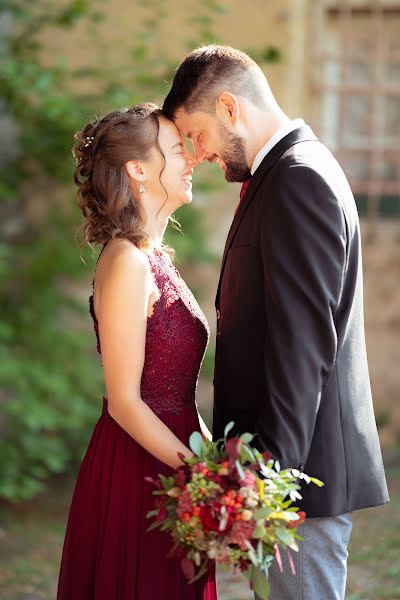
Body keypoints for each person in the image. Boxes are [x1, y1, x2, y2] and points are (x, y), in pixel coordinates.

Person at [163, 45, 389, 600]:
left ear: (229, 107)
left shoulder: (297, 179)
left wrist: (269, 487)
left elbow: (302, 347)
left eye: (197, 135)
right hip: (287, 476)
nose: (197, 153)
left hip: (297, 483)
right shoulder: (284, 174)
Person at [57, 103, 218, 600]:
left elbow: (178, 392)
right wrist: (202, 472)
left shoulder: (153, 256)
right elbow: (125, 401)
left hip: (174, 458)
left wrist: (221, 467)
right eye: (176, 150)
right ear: (137, 169)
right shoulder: (127, 261)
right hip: (139, 473)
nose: (191, 159)